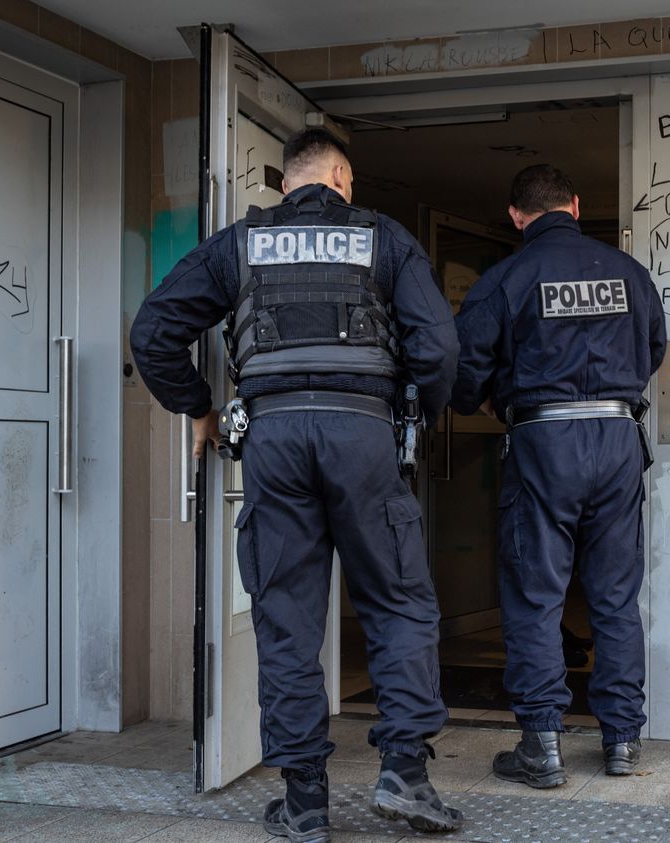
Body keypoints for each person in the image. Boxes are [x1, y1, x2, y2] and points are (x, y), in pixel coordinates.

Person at [130, 128, 464, 842]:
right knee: (399, 600)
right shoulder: (384, 239)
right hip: (363, 432)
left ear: (287, 184)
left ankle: (305, 800)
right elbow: (438, 346)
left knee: (287, 617)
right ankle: (404, 774)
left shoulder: (238, 244)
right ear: (342, 177)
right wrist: (415, 416)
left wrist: (201, 407)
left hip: (274, 438)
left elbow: (153, 330)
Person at [451, 164, 666, 788]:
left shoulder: (507, 278)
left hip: (544, 439)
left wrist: (492, 403)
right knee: (615, 597)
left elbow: (463, 372)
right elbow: (653, 350)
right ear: (575, 204)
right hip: (619, 437)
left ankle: (542, 746)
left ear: (516, 216)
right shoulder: (629, 273)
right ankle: (621, 741)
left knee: (535, 594)